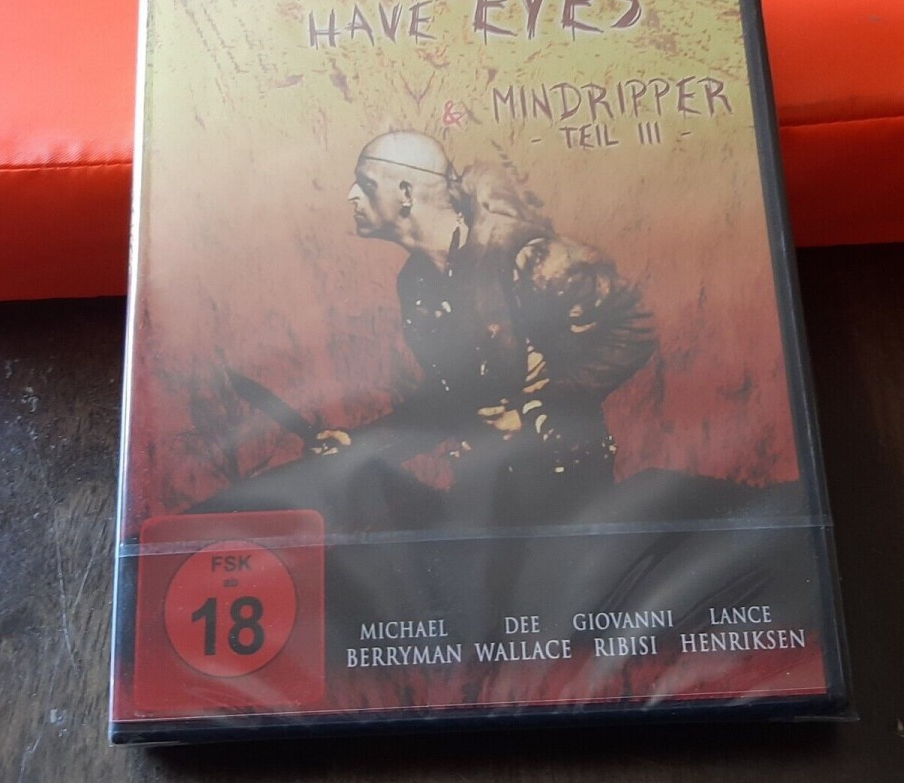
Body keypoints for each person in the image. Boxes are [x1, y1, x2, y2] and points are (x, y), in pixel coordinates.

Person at [197, 131, 655, 529]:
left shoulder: (524, 255)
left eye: (365, 185)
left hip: (563, 489)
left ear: (405, 192)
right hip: (487, 485)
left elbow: (636, 327)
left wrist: (537, 408)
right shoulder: (417, 282)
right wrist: (361, 443)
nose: (351, 196)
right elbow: (448, 399)